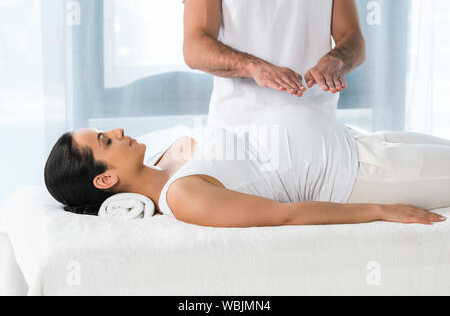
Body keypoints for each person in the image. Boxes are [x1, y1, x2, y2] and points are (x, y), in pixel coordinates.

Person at [44, 105, 448, 227]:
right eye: (105, 140)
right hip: (362, 174)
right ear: (106, 178)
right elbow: (283, 215)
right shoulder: (182, 195)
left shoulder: (170, 157)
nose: (117, 129)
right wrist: (380, 210)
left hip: (356, 140)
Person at [182, 0, 366, 127]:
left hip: (317, 128)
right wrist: (253, 67)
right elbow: (195, 46)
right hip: (237, 131)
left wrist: (336, 60)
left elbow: (353, 38)